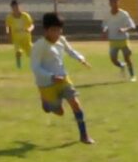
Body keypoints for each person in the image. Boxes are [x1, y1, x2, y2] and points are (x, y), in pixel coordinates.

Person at [31, 13, 94, 145]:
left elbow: (70, 51)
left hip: (64, 78)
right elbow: (35, 68)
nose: (57, 33)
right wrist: (51, 77)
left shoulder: (61, 40)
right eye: (54, 30)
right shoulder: (39, 46)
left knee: (76, 104)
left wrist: (81, 58)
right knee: (59, 112)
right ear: (46, 30)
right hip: (47, 84)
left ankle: (84, 135)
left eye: (59, 30)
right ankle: (46, 102)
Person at [102, 0, 138, 82]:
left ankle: (132, 76)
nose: (114, 4)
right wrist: (105, 30)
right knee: (113, 60)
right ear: (109, 3)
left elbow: (132, 26)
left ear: (118, 2)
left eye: (115, 2)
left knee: (127, 58)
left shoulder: (124, 14)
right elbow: (104, 24)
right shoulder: (107, 14)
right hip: (113, 40)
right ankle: (122, 65)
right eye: (112, 2)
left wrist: (124, 29)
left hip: (123, 40)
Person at [5, 0, 34, 70]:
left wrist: (29, 29)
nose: (16, 9)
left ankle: (36, 66)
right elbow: (7, 27)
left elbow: (32, 25)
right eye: (14, 7)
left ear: (19, 7)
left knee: (33, 55)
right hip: (17, 40)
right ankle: (19, 66)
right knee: (18, 52)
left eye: (17, 7)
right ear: (12, 8)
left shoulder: (25, 16)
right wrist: (8, 33)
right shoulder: (9, 17)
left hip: (27, 40)